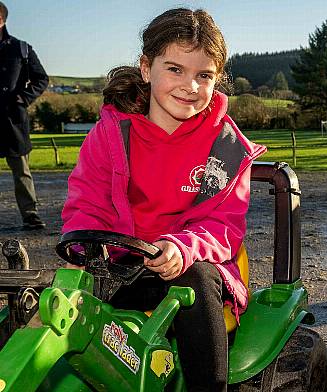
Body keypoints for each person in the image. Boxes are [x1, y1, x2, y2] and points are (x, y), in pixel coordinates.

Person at [60, 8, 266, 391]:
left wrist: (179, 248)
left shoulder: (227, 147)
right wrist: (84, 243)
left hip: (188, 267)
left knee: (195, 281)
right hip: (119, 266)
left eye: (203, 75)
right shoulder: (109, 136)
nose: (189, 86)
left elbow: (223, 226)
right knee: (45, 305)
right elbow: (87, 205)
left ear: (217, 79)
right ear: (145, 68)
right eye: (175, 69)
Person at [0, 1, 48, 230]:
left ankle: (30, 214)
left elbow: (41, 78)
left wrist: (23, 98)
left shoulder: (21, 48)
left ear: (2, 20)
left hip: (13, 120)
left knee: (22, 171)